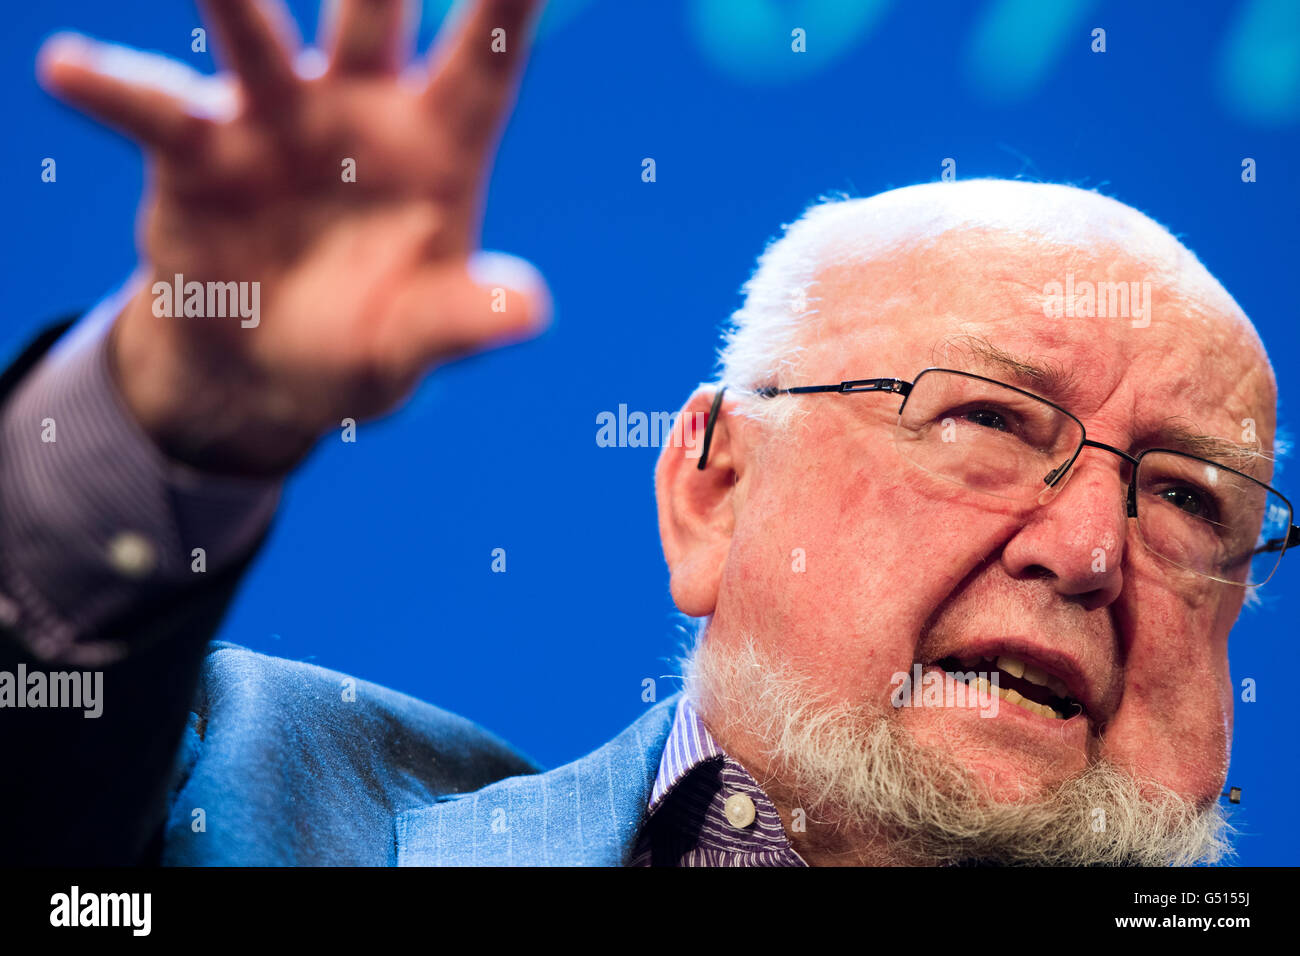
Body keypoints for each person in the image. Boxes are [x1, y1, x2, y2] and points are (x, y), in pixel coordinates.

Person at [1, 0, 1293, 866]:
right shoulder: (241, 797)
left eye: (1190, 500)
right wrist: (172, 420)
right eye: (991, 420)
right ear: (714, 493)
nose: (1089, 550)